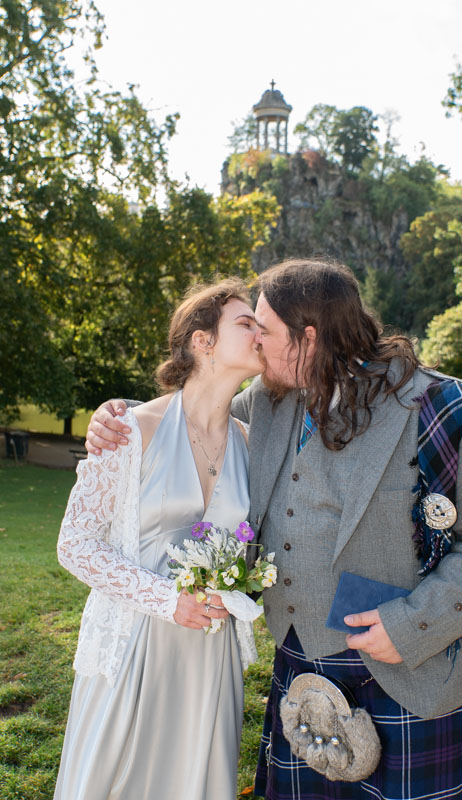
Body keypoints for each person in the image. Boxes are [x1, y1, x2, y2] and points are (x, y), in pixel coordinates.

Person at [86, 259, 462, 800]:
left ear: (309, 338)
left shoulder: (443, 407)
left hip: (412, 676)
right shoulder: (268, 399)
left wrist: (414, 625)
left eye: (264, 330)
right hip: (300, 673)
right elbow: (194, 413)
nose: (255, 343)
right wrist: (122, 417)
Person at [55, 278, 263, 800]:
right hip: (134, 645)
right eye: (246, 323)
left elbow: (251, 545)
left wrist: (239, 589)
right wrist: (167, 600)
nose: (259, 333)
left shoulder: (250, 443)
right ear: (202, 340)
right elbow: (75, 543)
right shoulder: (129, 430)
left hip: (210, 655)